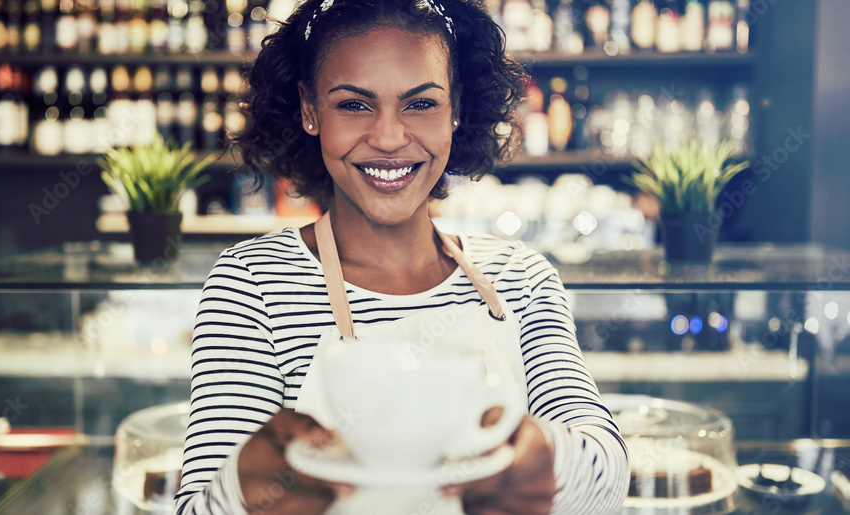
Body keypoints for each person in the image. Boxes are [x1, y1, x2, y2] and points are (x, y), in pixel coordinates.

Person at [174, 0, 630, 513]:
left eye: (420, 104)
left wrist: (546, 465)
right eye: (353, 104)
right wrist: (248, 491)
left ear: (455, 109)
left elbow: (607, 483)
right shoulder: (251, 284)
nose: (389, 138)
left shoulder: (521, 278)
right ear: (309, 109)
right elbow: (198, 506)